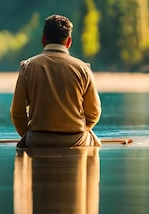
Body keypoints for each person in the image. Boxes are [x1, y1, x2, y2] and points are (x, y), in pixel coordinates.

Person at [10, 14, 102, 148]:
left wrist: (28, 134)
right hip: (76, 140)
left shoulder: (28, 67)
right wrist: (81, 130)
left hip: (37, 139)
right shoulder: (82, 69)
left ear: (43, 39)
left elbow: (17, 112)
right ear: (69, 41)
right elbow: (94, 112)